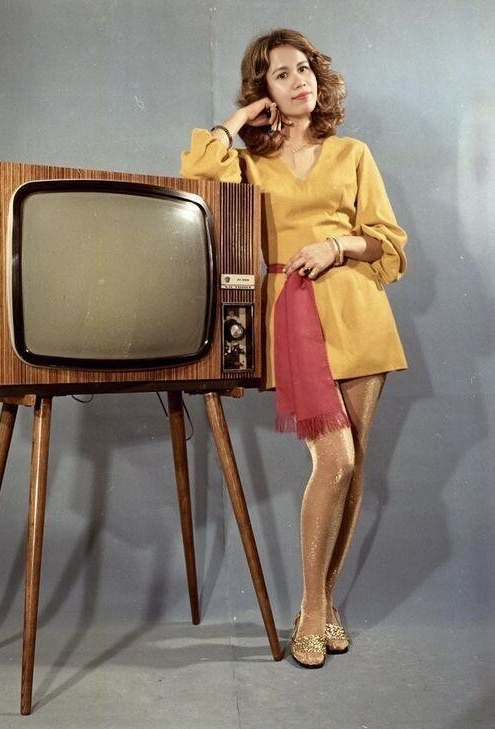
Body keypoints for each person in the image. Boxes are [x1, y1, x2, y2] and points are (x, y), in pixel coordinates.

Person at [180, 28, 408, 668]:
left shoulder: (353, 153)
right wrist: (237, 122)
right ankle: (312, 609)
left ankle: (324, 604)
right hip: (293, 318)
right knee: (333, 460)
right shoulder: (250, 165)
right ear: (265, 92)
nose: (298, 80)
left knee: (353, 467)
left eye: (303, 68)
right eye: (280, 74)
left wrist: (337, 245)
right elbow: (197, 175)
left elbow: (386, 240)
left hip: (359, 313)